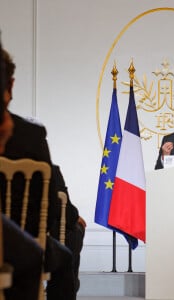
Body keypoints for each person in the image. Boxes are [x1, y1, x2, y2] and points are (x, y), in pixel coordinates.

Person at [0, 48, 76, 300]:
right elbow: (52, 206)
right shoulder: (30, 135)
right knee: (63, 257)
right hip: (19, 244)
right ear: (10, 85)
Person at [50, 164, 86, 293]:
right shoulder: (48, 170)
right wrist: (75, 217)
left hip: (8, 241)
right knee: (72, 233)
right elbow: (67, 213)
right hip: (36, 245)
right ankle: (67, 288)